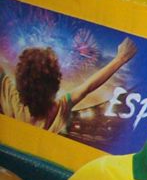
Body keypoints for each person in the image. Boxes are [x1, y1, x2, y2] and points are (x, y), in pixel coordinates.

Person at [0, 37, 137, 133]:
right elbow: (89, 86)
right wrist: (121, 59)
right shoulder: (60, 109)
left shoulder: (9, 96)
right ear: (55, 83)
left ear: (20, 80)